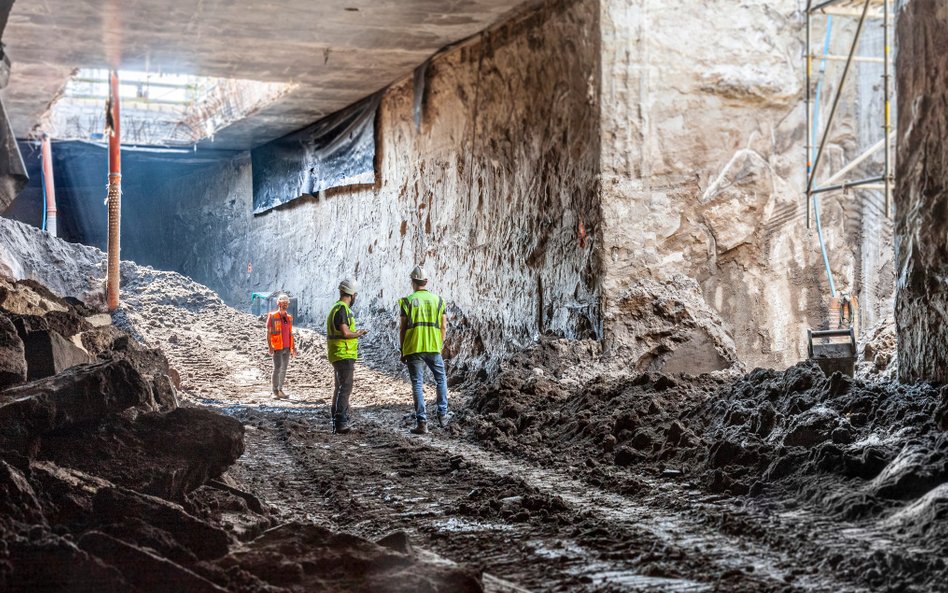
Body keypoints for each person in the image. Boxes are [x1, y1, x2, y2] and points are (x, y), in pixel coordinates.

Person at [398, 265, 448, 434]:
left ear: (413, 282)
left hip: (413, 347)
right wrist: (439, 345)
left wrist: (403, 350)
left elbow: (403, 328)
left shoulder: (407, 301)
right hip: (433, 346)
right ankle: (443, 415)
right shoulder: (439, 300)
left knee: (417, 384)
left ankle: (422, 423)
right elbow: (443, 326)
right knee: (440, 379)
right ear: (426, 281)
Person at [327, 279, 368, 434]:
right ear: (352, 295)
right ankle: (340, 422)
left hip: (338, 353)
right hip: (343, 353)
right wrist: (358, 334)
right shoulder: (342, 309)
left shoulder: (336, 308)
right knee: (346, 387)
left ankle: (336, 420)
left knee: (339, 388)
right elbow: (345, 332)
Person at [266, 293, 296, 399]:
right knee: (277, 368)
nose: (285, 304)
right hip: (277, 347)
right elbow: (268, 332)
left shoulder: (289, 318)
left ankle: (280, 389)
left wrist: (293, 348)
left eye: (286, 303)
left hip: (287, 347)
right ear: (278, 303)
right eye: (283, 302)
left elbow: (290, 333)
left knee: (283, 369)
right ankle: (275, 391)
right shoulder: (273, 316)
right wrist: (270, 346)